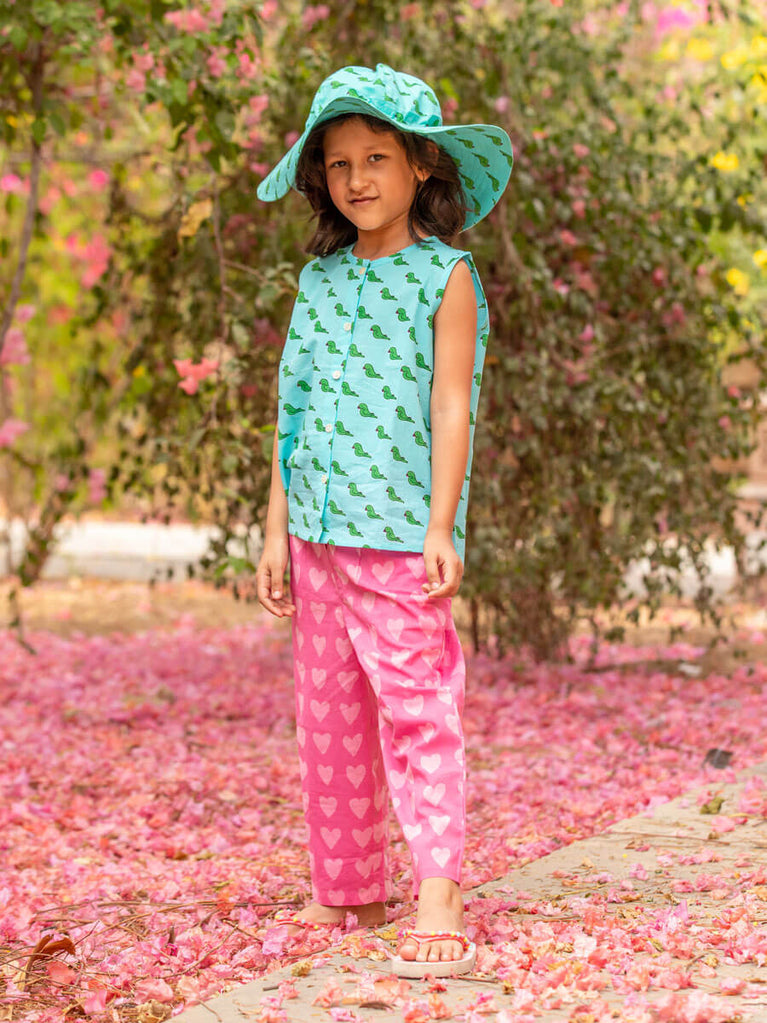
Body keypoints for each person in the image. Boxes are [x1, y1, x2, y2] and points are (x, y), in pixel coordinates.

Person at [255, 62, 512, 977]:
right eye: (337, 163)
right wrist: (274, 528)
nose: (356, 178)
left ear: (420, 167)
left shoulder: (446, 277)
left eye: (375, 157)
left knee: (416, 709)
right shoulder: (317, 281)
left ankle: (438, 887)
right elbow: (290, 409)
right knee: (328, 714)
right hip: (315, 533)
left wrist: (442, 524)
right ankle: (352, 884)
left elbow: (451, 406)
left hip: (399, 533)